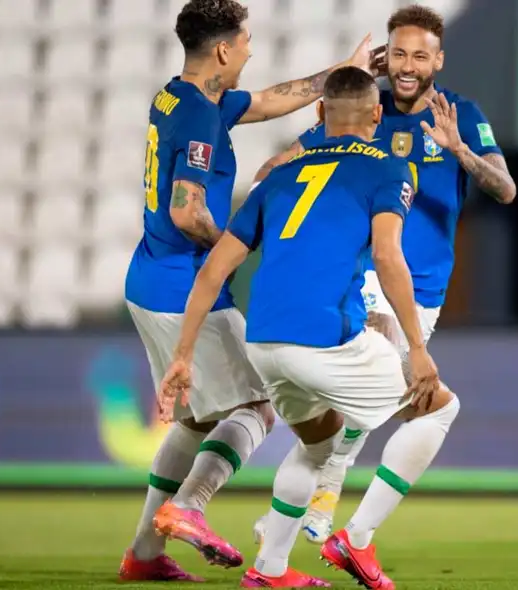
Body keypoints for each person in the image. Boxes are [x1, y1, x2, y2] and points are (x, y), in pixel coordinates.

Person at [156, 66, 461, 590]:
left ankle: (269, 569)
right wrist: (416, 346)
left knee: (319, 443)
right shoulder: (390, 170)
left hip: (265, 342)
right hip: (324, 338)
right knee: (440, 407)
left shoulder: (278, 175)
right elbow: (388, 257)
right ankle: (357, 539)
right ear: (377, 115)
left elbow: (213, 270)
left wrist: (182, 356)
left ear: (320, 114)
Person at [119, 0, 381, 581]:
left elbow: (269, 100)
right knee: (258, 404)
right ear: (221, 50)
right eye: (244, 42)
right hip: (182, 286)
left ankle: (141, 556)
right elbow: (187, 211)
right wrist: (236, 242)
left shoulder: (182, 97)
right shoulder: (197, 118)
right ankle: (188, 507)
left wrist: (347, 68)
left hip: (150, 277)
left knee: (193, 420)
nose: (250, 50)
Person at [251, 3, 516, 546]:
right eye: (398, 53)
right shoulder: (361, 111)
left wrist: (460, 150)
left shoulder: (460, 114)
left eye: (420, 54)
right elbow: (275, 172)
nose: (407, 64)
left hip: (425, 288)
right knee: (365, 387)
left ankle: (294, 516)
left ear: (438, 60)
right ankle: (319, 510)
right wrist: (326, 107)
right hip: (363, 274)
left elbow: (505, 189)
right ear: (385, 57)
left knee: (360, 404)